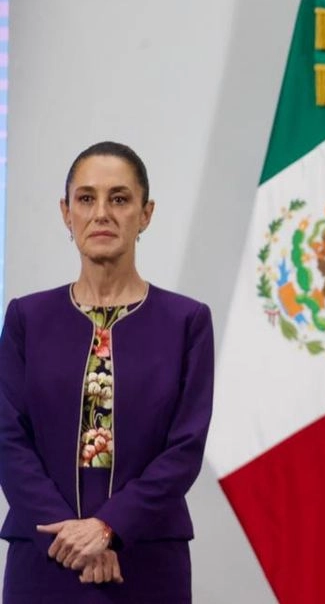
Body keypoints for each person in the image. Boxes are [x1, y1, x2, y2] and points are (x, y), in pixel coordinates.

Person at [0, 142, 214, 601]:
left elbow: (184, 449)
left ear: (146, 213)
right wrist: (71, 542)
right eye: (86, 198)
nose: (101, 213)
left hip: (147, 558)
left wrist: (109, 527)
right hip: (43, 557)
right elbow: (8, 439)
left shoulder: (187, 322)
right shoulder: (26, 318)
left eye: (119, 199)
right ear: (66, 212)